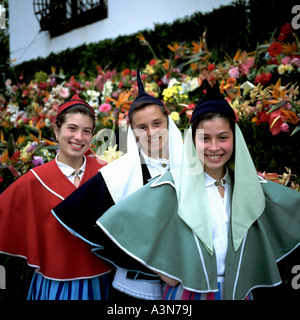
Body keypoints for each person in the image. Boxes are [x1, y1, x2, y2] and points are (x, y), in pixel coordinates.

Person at [92, 79, 300, 300]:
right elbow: (119, 222)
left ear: (235, 139)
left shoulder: (252, 187)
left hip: (238, 291)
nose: (214, 147)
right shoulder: (171, 185)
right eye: (204, 138)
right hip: (189, 294)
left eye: (223, 137)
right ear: (192, 140)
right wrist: (163, 269)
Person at [51, 70, 183, 300]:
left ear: (168, 122)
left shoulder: (192, 166)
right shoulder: (119, 174)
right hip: (135, 290)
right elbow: (80, 216)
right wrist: (152, 263)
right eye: (142, 127)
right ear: (132, 133)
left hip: (186, 286)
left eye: (157, 123)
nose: (151, 132)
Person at [0, 95, 112, 300]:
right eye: (72, 128)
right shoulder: (34, 180)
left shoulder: (107, 172)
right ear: (56, 130)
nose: (79, 137)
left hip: (103, 281)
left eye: (86, 131)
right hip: (55, 285)